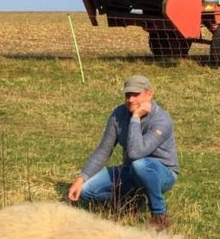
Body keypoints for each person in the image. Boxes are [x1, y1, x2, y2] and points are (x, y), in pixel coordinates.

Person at [67, 75, 178, 229]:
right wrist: (80, 179)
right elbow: (103, 150)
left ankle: (159, 215)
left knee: (140, 165)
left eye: (136, 95)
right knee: (86, 192)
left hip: (161, 173)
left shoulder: (162, 120)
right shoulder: (118, 114)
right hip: (130, 170)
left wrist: (135, 118)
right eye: (127, 95)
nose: (130, 100)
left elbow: (136, 153)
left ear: (149, 94)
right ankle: (131, 200)